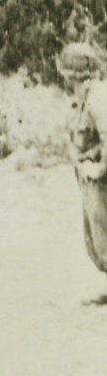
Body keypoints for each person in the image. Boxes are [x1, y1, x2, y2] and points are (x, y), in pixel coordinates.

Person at [70, 72, 107, 305]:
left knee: (102, 234)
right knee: (95, 237)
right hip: (90, 175)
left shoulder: (97, 98)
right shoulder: (87, 98)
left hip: (100, 180)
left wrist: (99, 169)